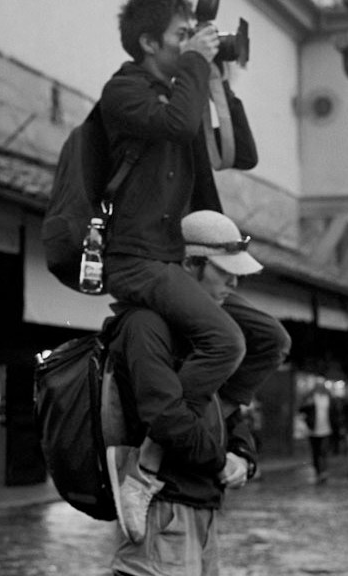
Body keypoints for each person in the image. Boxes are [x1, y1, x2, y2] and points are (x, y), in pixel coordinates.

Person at [100, 0, 290, 542]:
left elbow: (242, 154)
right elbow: (179, 121)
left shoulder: (184, 90)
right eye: (183, 34)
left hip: (179, 259)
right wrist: (196, 66)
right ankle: (149, 463)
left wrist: (221, 83)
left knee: (269, 339)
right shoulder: (127, 92)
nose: (194, 42)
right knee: (225, 342)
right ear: (148, 44)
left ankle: (217, 415)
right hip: (141, 258)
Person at [108, 210, 264, 575]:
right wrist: (219, 460)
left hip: (199, 505)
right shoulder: (145, 325)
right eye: (223, 271)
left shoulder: (200, 331)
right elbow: (165, 417)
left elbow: (224, 407)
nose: (233, 284)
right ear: (191, 264)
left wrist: (242, 455)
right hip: (164, 508)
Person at [299, 378, 340, 484]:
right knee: (315, 452)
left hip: (327, 429)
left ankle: (324, 471)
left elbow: (335, 412)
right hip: (313, 429)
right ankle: (318, 471)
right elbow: (301, 409)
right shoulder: (310, 397)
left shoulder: (329, 398)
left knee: (324, 450)